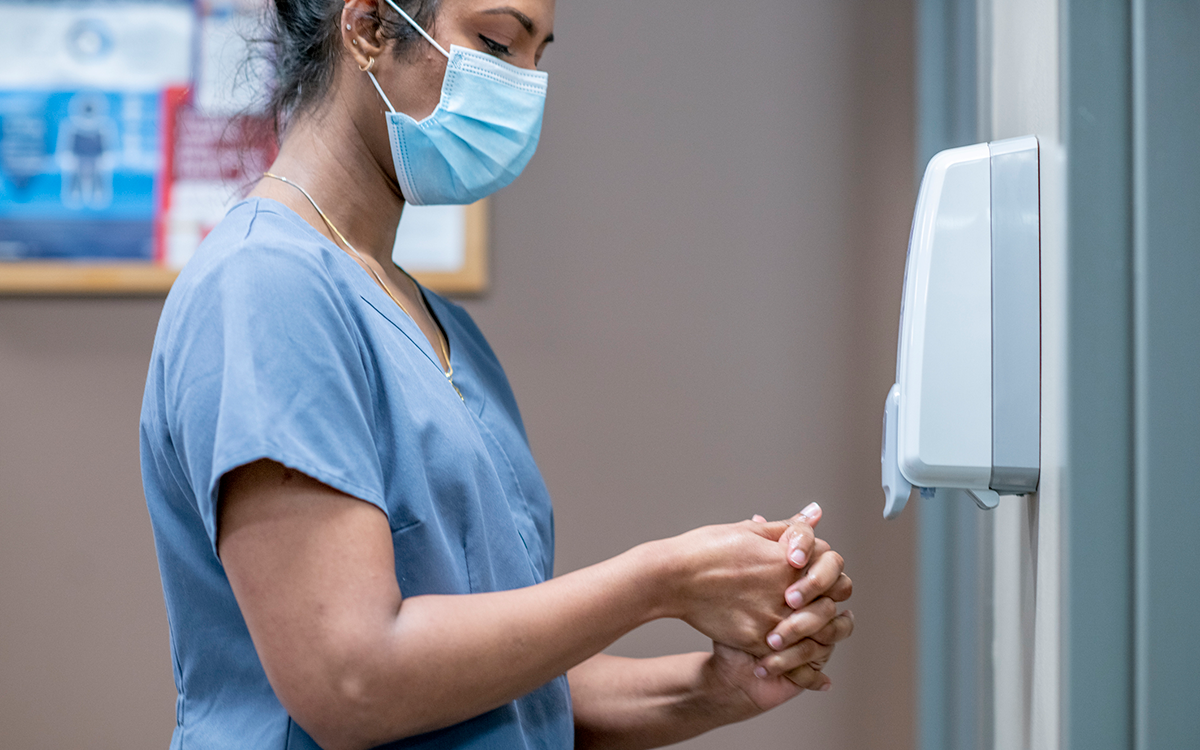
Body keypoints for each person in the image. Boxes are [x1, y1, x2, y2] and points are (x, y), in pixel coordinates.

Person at [139, 0, 855, 748]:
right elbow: (353, 679)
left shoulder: (439, 327)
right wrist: (663, 580)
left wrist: (718, 686)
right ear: (369, 28)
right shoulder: (265, 286)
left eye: (538, 56)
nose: (523, 85)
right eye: (497, 43)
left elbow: (505, 683)